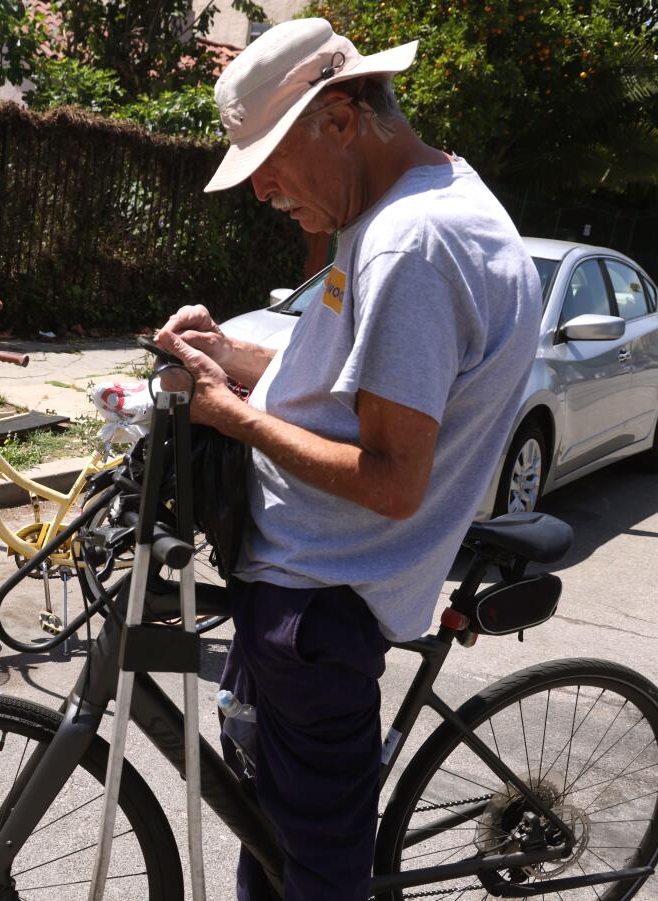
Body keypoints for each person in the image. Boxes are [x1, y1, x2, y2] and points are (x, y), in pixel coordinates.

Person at [155, 18, 542, 901]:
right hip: (301, 590)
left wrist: (230, 417)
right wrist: (229, 355)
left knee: (316, 877)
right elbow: (340, 379)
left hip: (319, 605)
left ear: (339, 117)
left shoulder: (413, 245)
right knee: (276, 841)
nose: (261, 193)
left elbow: (391, 480)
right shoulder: (407, 211)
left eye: (268, 163)